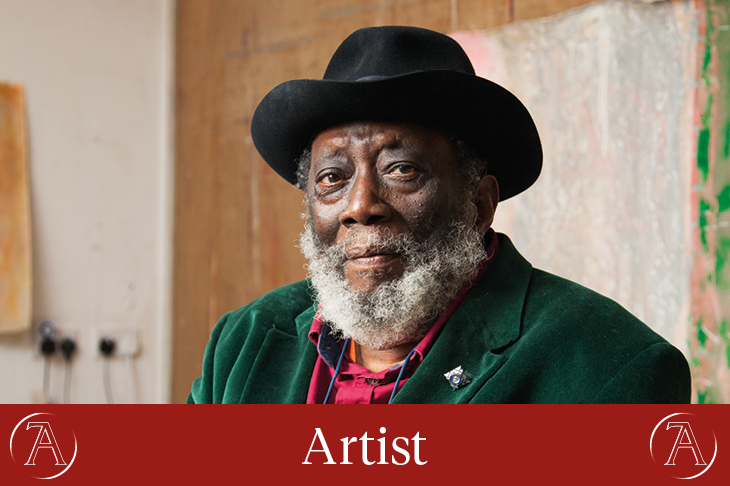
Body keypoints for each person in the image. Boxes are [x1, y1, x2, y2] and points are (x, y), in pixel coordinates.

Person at [187, 25, 691, 404]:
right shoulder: (243, 344)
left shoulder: (611, 367)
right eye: (332, 178)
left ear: (479, 205)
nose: (361, 206)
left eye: (401, 169)